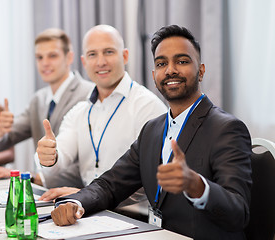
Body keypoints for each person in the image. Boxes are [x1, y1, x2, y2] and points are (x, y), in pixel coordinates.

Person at [48, 25, 252, 240]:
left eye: (182, 61)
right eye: (162, 63)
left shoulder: (227, 128)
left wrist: (197, 186)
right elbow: (111, 184)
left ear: (201, 71)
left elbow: (239, 213)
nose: (171, 70)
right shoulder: (152, 130)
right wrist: (76, 202)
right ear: (155, 75)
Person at [37, 24, 167, 201]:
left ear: (125, 55)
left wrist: (90, 196)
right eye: (92, 54)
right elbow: (59, 158)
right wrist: (49, 156)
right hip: (90, 210)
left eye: (108, 52)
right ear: (84, 62)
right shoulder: (79, 112)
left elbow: (153, 179)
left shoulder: (148, 107)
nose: (100, 62)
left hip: (135, 217)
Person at [0, 28, 94, 187]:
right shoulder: (39, 99)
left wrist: (32, 178)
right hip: (42, 194)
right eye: (39, 57)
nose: (45, 63)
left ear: (69, 57)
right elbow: (1, 143)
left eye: (52, 56)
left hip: (75, 196)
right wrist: (0, 130)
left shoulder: (90, 94)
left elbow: (90, 162)